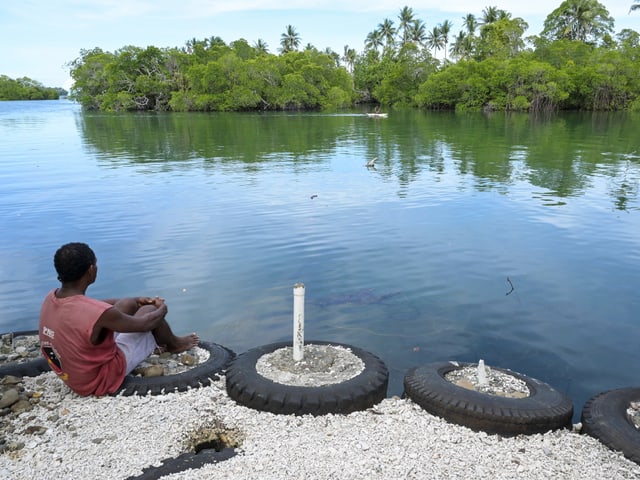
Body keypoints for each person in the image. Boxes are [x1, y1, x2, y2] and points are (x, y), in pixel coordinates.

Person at [39, 242, 199, 396]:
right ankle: (175, 344)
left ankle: (154, 342)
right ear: (91, 270)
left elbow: (95, 307)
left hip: (74, 374)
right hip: (98, 379)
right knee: (149, 311)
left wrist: (135, 300)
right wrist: (162, 309)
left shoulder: (51, 297)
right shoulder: (98, 313)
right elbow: (145, 324)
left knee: (127, 303)